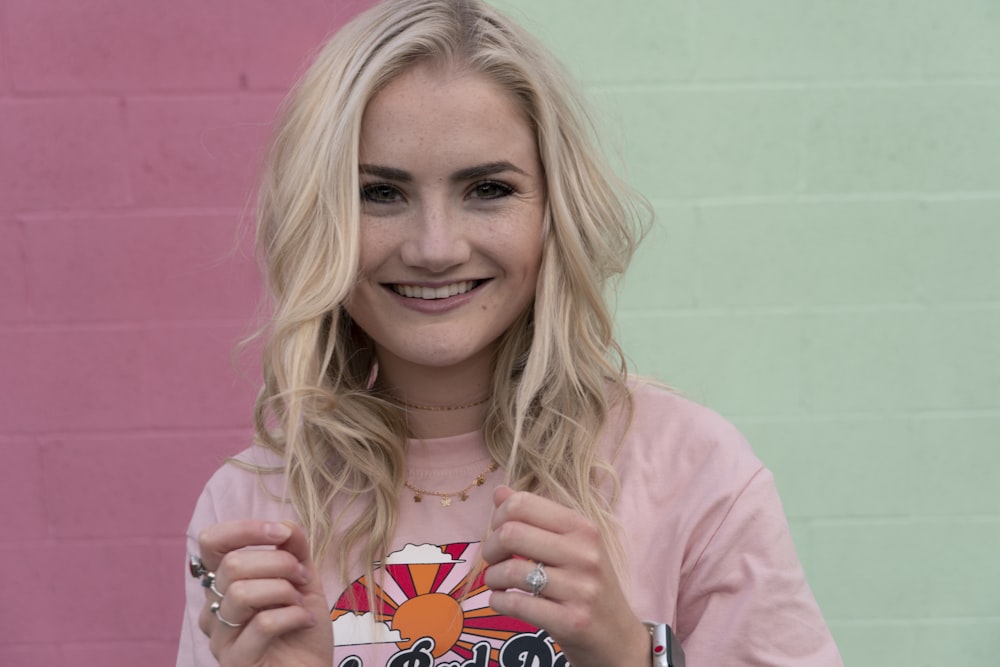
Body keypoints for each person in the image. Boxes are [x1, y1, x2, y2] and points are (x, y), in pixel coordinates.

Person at [178, 1, 844, 665]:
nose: (435, 247)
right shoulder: (250, 512)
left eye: (487, 188)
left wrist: (629, 657)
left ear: (555, 209)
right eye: (380, 193)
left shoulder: (695, 474)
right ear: (320, 219)